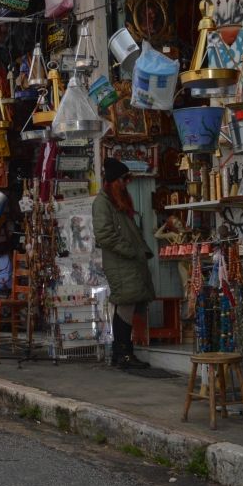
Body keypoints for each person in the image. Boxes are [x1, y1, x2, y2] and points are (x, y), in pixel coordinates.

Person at [92, 158, 154, 369]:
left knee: (128, 304)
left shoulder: (117, 201)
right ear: (113, 181)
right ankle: (123, 353)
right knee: (126, 304)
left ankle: (123, 353)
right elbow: (104, 235)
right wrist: (130, 251)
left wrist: (140, 251)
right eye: (122, 179)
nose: (125, 183)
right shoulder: (102, 203)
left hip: (128, 262)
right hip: (121, 262)